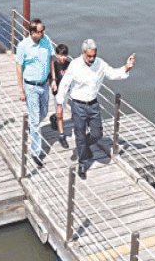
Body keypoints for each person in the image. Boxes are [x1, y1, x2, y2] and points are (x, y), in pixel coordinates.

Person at [56, 39, 136, 179]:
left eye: (93, 55)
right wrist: (59, 103)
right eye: (89, 56)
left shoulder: (100, 64)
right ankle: (82, 163)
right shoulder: (75, 65)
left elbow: (113, 74)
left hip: (93, 104)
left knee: (97, 134)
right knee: (80, 134)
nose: (91, 59)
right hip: (78, 104)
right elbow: (64, 84)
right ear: (83, 53)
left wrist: (127, 67)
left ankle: (84, 146)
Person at [15, 19, 56, 167]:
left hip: (44, 84)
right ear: (32, 33)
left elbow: (51, 59)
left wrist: (53, 79)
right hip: (31, 86)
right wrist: (21, 90)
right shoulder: (23, 46)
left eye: (44, 29)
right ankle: (36, 152)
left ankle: (32, 128)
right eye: (40, 31)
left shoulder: (46, 40)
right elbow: (19, 67)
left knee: (43, 113)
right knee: (35, 120)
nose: (43, 33)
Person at [50, 43, 71, 148]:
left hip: (67, 92)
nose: (62, 58)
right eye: (60, 55)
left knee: (61, 111)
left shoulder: (69, 65)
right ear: (57, 54)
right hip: (58, 93)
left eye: (64, 55)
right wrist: (52, 84)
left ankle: (54, 118)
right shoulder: (54, 65)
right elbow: (51, 79)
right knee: (60, 113)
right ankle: (62, 136)